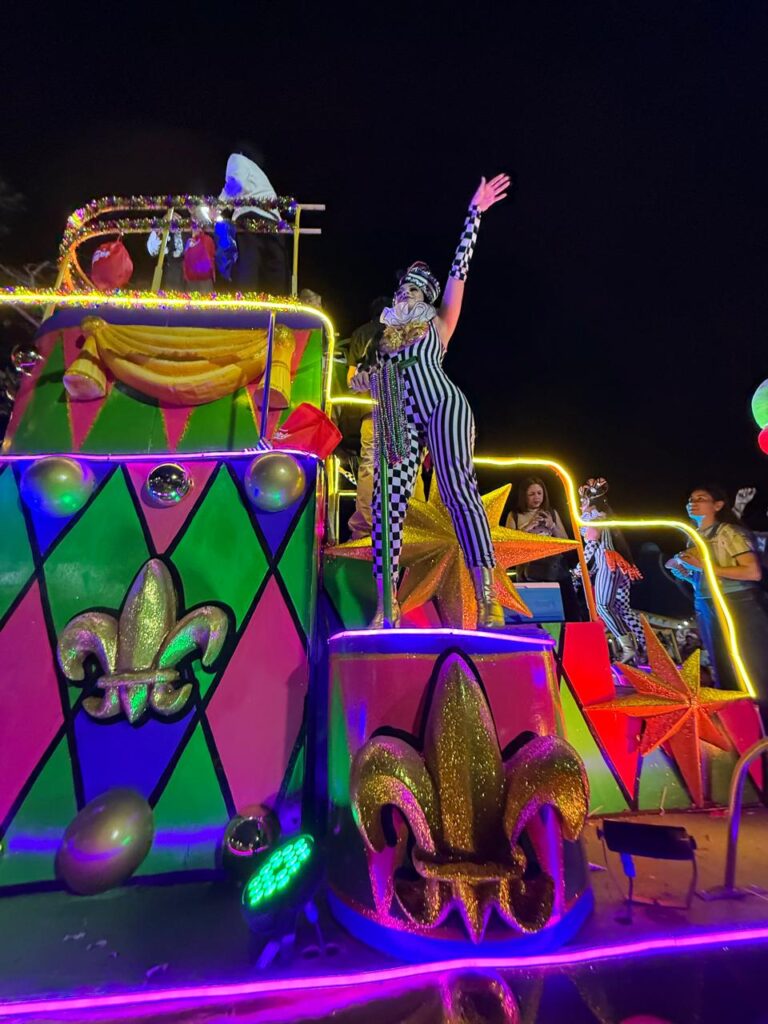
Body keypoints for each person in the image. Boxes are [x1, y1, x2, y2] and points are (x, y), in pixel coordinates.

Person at [349, 174, 511, 628]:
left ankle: (487, 596)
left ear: (426, 297)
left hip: (441, 404)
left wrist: (474, 214)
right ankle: (387, 604)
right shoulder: (385, 345)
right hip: (396, 412)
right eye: (402, 290)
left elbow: (460, 269)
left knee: (458, 488)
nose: (406, 294)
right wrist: (365, 382)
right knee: (387, 504)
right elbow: (379, 382)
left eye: (414, 290)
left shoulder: (439, 324)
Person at [667, 485, 768, 723]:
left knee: (753, 670)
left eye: (701, 498)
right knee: (723, 669)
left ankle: (763, 726)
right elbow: (703, 577)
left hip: (737, 603)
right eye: (691, 499)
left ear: (718, 505)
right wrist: (687, 573)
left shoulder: (728, 532)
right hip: (706, 604)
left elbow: (752, 572)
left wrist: (705, 567)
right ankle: (740, 729)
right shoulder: (694, 536)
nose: (693, 502)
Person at [575, 478, 645, 663]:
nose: (581, 505)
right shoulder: (604, 518)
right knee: (622, 608)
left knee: (602, 606)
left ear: (591, 502)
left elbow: (591, 547)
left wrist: (578, 568)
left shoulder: (596, 518)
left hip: (610, 565)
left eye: (583, 501)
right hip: (618, 565)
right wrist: (591, 570)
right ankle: (643, 644)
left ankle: (628, 647)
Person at [345, 297, 389, 540]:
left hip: (370, 409)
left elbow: (350, 378)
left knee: (369, 464)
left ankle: (364, 528)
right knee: (399, 467)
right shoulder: (399, 332)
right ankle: (403, 527)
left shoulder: (360, 334)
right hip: (398, 410)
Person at [506, 476, 580, 619]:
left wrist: (552, 525)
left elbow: (566, 542)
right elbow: (509, 545)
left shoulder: (551, 513)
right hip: (529, 571)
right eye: (532, 494)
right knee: (537, 613)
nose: (537, 497)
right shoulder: (514, 515)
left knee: (567, 612)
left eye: (539, 493)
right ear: (524, 496)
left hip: (555, 570)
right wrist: (528, 528)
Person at [219, 150, 288, 294]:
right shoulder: (258, 174)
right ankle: (276, 301)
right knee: (275, 268)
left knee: (249, 266)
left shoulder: (236, 158)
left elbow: (235, 183)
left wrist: (218, 205)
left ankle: (246, 303)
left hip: (251, 215)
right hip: (273, 219)